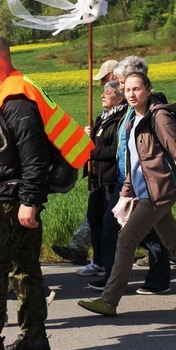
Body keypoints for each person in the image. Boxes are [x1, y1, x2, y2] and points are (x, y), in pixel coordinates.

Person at [0, 33, 93, 350]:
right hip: (11, 199)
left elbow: (34, 157)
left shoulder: (16, 101)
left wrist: (30, 200)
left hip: (11, 203)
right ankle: (34, 339)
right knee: (24, 270)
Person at [78, 72, 176, 317]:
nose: (132, 94)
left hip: (158, 192)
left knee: (126, 240)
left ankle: (109, 301)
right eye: (128, 90)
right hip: (143, 191)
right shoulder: (133, 120)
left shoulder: (159, 117)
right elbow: (135, 161)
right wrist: (125, 193)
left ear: (148, 89)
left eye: (137, 89)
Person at [90, 56, 172, 295]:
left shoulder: (152, 110)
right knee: (117, 226)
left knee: (151, 231)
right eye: (122, 84)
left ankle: (157, 280)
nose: (121, 87)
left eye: (124, 81)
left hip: (146, 181)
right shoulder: (130, 111)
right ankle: (115, 278)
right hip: (128, 179)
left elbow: (172, 150)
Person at [52, 58, 118, 266]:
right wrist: (87, 136)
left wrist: (92, 151)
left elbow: (112, 148)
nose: (100, 88)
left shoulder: (121, 114)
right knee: (98, 217)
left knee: (115, 221)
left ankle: (163, 253)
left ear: (114, 77)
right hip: (99, 174)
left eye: (104, 82)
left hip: (111, 175)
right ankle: (91, 255)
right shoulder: (106, 114)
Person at [72, 80, 126, 278]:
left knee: (109, 224)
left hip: (111, 179)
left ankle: (112, 265)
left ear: (119, 98)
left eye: (108, 93)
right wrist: (89, 136)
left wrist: (92, 151)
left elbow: (115, 151)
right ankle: (99, 262)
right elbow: (95, 144)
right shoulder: (102, 117)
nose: (102, 96)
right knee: (95, 221)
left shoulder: (121, 119)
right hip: (97, 179)